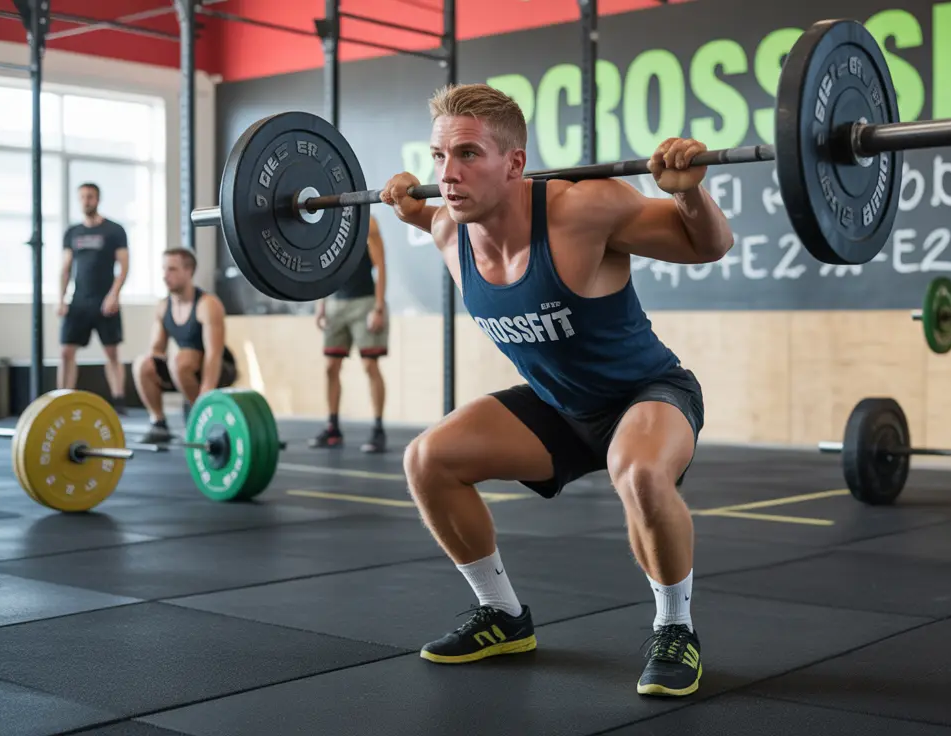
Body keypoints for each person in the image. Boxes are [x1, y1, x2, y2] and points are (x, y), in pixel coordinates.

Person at [379, 83, 731, 698]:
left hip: (646, 393)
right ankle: (503, 617)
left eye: (468, 155)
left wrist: (690, 192)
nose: (449, 174)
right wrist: (405, 201)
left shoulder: (583, 210)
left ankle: (676, 627)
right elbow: (421, 208)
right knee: (428, 459)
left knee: (641, 474)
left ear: (514, 163)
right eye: (440, 158)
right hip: (557, 404)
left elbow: (710, 245)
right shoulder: (444, 229)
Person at [132, 248, 237, 444]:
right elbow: (156, 350)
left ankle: (200, 418)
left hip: (218, 369)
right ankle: (158, 423)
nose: (165, 275)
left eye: (171, 269)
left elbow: (214, 354)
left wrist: (205, 400)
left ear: (189, 271)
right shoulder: (164, 306)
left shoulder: (207, 304)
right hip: (181, 369)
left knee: (181, 359)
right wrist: (157, 367)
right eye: (163, 269)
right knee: (142, 364)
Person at [309, 215, 390, 453]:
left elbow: (381, 267)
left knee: (369, 366)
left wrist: (378, 307)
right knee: (330, 367)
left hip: (364, 303)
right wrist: (321, 304)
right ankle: (332, 427)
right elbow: (324, 269)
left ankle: (378, 429)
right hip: (336, 304)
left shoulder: (368, 224)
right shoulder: (327, 226)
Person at [58, 182, 129, 414]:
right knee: (65, 352)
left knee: (112, 353)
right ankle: (63, 398)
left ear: (98, 199)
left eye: (90, 196)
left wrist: (113, 295)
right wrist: (61, 299)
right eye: (82, 197)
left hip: (105, 301)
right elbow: (65, 268)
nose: (86, 201)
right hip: (78, 301)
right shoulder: (72, 232)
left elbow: (124, 266)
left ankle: (118, 399)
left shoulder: (114, 231)